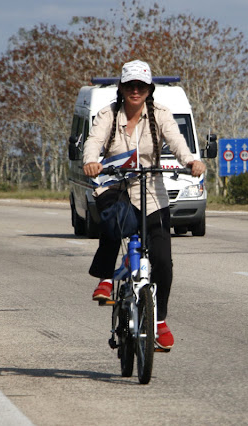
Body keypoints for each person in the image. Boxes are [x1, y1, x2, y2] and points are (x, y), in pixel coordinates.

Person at [82, 60, 206, 350]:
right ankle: (105, 280)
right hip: (114, 184)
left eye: (141, 86)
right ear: (122, 88)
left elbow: (176, 142)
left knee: (163, 260)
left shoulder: (160, 114)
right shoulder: (108, 114)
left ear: (149, 89)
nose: (135, 90)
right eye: (130, 85)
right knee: (114, 221)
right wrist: (91, 161)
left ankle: (159, 320)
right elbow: (93, 141)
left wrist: (190, 161)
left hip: (150, 190)